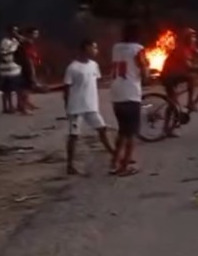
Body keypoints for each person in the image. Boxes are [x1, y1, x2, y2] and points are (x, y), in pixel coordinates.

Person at [63, 39, 114, 176]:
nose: (96, 50)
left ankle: (113, 153)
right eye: (94, 47)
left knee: (102, 129)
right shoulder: (72, 68)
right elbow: (66, 89)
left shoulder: (94, 65)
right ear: (86, 48)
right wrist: (67, 107)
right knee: (74, 135)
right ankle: (70, 165)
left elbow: (96, 82)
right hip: (76, 107)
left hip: (91, 106)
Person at [160, 28, 198, 137]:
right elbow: (189, 67)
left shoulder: (190, 46)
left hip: (175, 75)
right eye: (192, 37)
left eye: (194, 37)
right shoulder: (181, 50)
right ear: (187, 39)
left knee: (174, 101)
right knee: (174, 102)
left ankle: (173, 123)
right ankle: (189, 104)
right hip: (168, 76)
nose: (194, 39)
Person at [109, 23, 148, 176]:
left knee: (122, 131)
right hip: (131, 93)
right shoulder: (138, 49)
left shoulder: (116, 48)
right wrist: (146, 72)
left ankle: (114, 163)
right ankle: (125, 166)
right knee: (131, 133)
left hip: (116, 93)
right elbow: (144, 71)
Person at [0, 25, 22, 114]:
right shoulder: (5, 41)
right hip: (6, 68)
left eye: (16, 31)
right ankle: (7, 107)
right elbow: (3, 53)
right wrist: (12, 50)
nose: (15, 33)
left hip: (15, 68)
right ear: (9, 32)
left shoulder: (15, 40)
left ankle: (17, 105)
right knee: (6, 89)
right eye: (13, 31)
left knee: (15, 88)